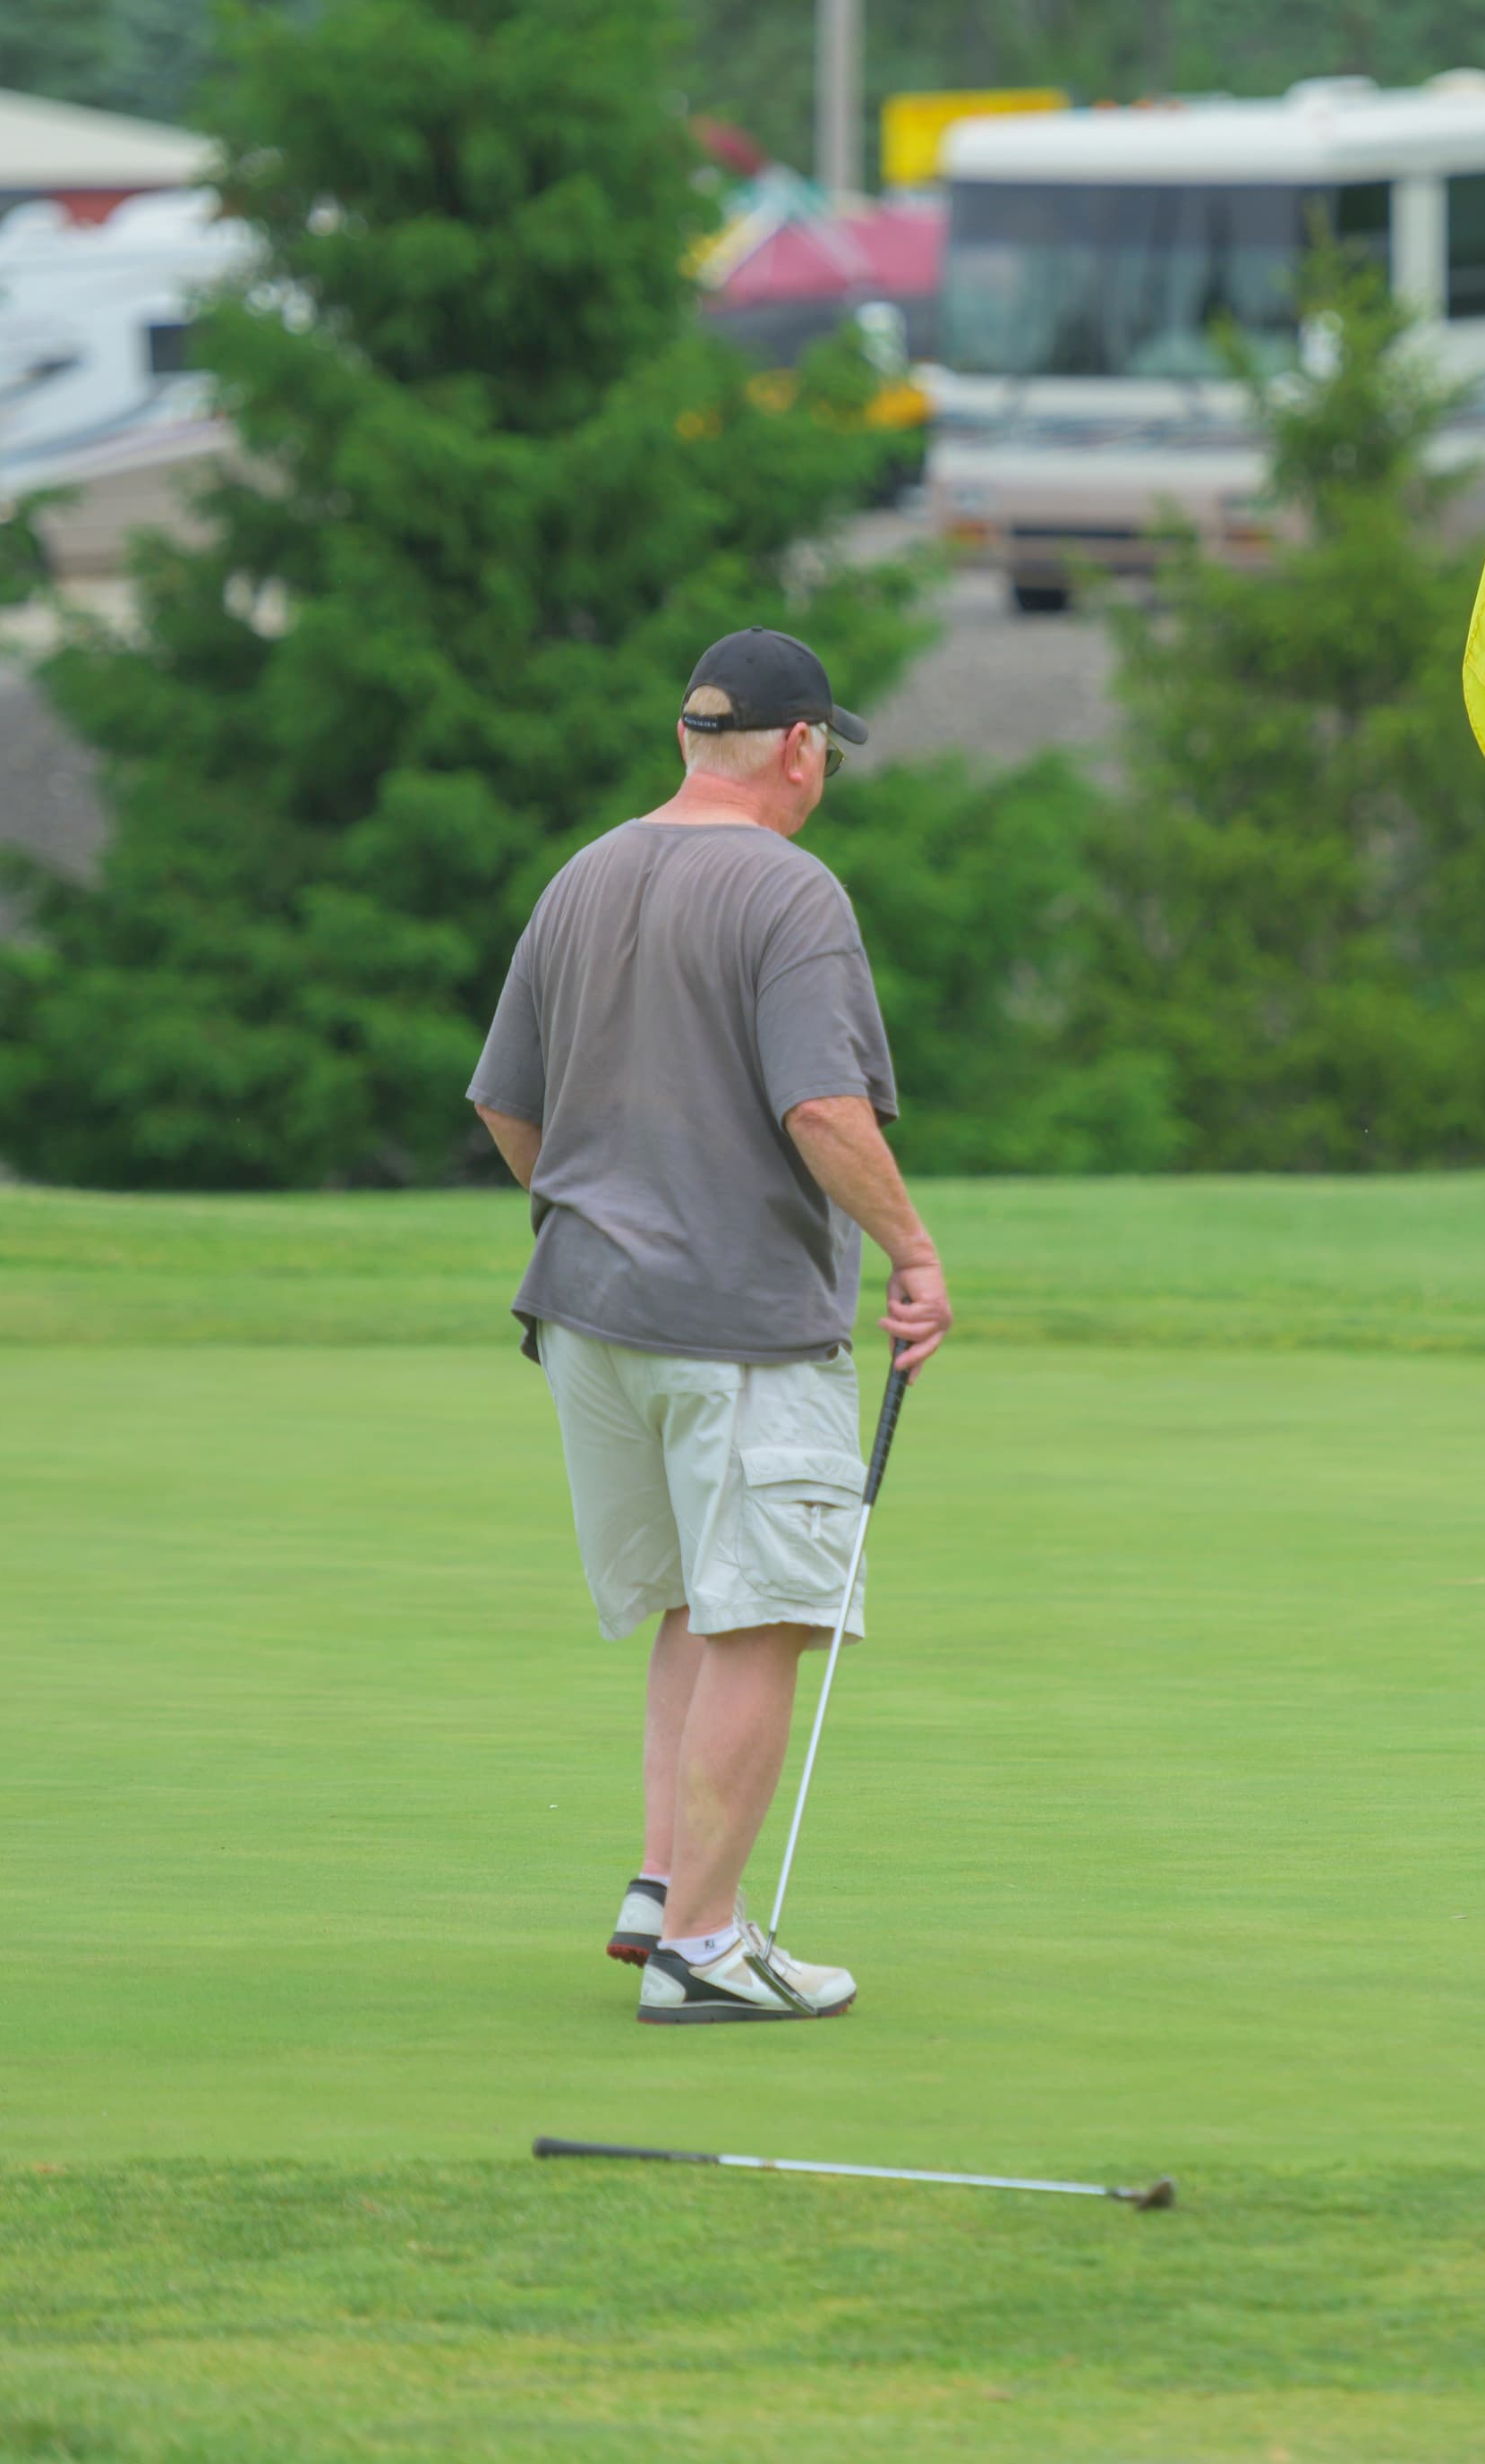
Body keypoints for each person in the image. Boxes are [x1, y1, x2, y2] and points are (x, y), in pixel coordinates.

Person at [467, 627, 952, 2024]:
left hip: (585, 1319)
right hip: (736, 1324)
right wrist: (912, 1255)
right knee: (766, 1615)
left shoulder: (583, 876)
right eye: (830, 753)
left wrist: (603, 1207)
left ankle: (662, 1882)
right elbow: (821, 1108)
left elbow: (509, 1106)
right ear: (799, 749)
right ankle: (707, 1945)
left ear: (693, 737)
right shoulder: (792, 892)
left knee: (695, 1592)